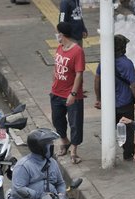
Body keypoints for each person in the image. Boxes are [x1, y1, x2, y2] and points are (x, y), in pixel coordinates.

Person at [94, 34, 135, 161]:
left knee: (110, 128)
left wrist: (98, 99)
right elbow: (134, 85)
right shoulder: (127, 64)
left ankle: (109, 152)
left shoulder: (104, 60)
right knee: (128, 130)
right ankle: (128, 153)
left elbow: (97, 79)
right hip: (125, 103)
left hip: (109, 103)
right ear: (123, 48)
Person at [51, 22, 85, 164]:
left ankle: (74, 150)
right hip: (56, 92)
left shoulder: (77, 51)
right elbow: (56, 68)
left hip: (71, 94)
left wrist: (73, 93)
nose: (56, 35)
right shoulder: (59, 48)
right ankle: (65, 141)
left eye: (57, 32)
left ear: (62, 34)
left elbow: (79, 74)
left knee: (75, 123)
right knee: (57, 120)